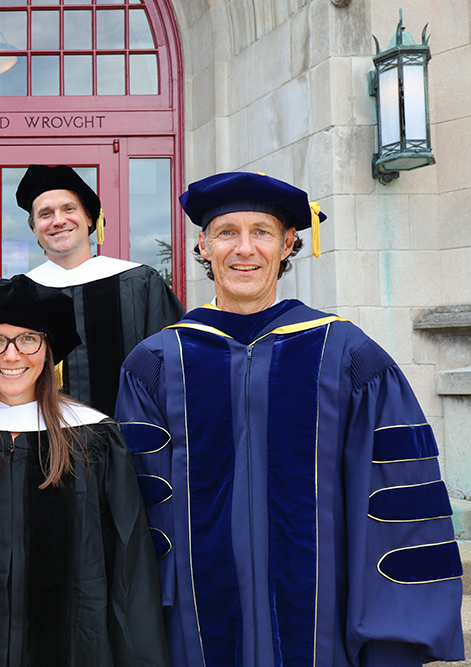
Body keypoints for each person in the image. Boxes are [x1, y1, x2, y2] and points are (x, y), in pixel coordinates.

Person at [115, 171, 464, 667]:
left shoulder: (348, 356)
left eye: (261, 231)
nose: (244, 248)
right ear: (203, 245)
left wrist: (391, 635)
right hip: (194, 630)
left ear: (288, 244)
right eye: (227, 233)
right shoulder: (154, 363)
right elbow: (138, 510)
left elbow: (397, 496)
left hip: (324, 626)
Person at [0, 274, 170, 667]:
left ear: (47, 351)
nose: (11, 356)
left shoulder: (92, 440)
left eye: (28, 338)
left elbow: (129, 575)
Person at [16, 164, 185, 415]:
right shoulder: (20, 296)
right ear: (35, 229)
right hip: (44, 442)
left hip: (130, 442)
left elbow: (173, 370)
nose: (58, 220)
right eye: (45, 214)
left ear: (89, 219)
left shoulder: (140, 284)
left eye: (69, 209)